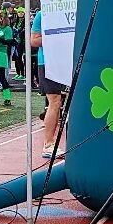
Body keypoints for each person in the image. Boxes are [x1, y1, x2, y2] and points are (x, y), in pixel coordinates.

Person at [30, 10, 66, 161]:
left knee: (63, 102)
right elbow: (34, 40)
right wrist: (57, 37)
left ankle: (59, 143)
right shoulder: (42, 14)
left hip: (66, 61)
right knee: (55, 101)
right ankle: (48, 144)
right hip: (47, 62)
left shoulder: (70, 12)